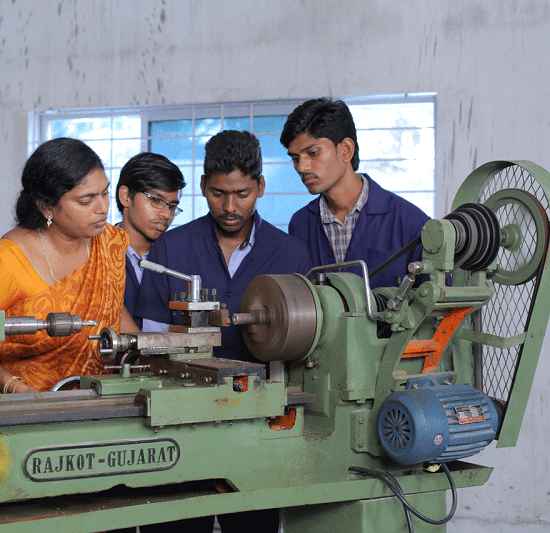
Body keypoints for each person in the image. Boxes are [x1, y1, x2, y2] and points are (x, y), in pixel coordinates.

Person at [0, 137, 138, 394]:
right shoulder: (5, 261)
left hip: (91, 402)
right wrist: (13, 386)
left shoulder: (107, 243)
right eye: (86, 201)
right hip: (18, 408)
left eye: (105, 193)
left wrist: (148, 353)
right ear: (46, 207)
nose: (104, 208)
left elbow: (111, 308)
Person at [136, 130, 311, 363]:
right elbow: (152, 344)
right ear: (202, 185)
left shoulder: (293, 255)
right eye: (218, 193)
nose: (229, 207)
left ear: (260, 187)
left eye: (242, 194)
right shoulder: (168, 249)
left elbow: (305, 344)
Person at [280, 98, 430, 289]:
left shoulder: (411, 223)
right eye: (295, 158)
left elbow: (436, 308)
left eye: (313, 153)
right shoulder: (300, 224)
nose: (302, 167)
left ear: (346, 150)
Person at [115, 152, 186, 326]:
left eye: (172, 206)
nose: (166, 214)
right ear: (126, 196)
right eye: (155, 200)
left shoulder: (177, 257)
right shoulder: (96, 252)